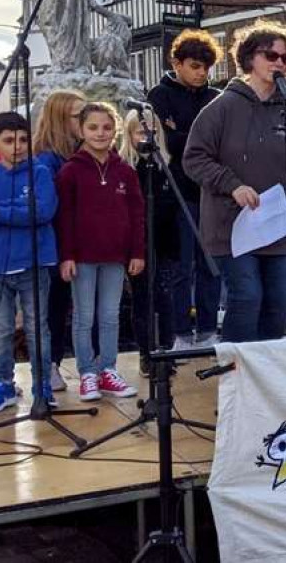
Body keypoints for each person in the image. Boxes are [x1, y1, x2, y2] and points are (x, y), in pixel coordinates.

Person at [183, 20, 286, 343]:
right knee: (247, 296)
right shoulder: (222, 108)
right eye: (271, 56)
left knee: (278, 302)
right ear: (249, 59)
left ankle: (265, 373)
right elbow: (194, 158)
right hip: (232, 227)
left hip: (274, 229)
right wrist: (233, 184)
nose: (279, 63)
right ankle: (235, 369)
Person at [56, 103, 144, 401]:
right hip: (82, 258)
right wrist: (66, 255)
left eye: (106, 127)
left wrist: (137, 252)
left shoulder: (125, 172)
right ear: (81, 130)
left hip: (115, 257)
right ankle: (87, 373)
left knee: (109, 316)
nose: (100, 133)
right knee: (84, 317)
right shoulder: (70, 171)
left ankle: (108, 368)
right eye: (92, 127)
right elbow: (64, 216)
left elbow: (137, 215)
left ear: (115, 130)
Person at [0, 112, 58, 413]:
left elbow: (44, 211)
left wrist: (0, 212)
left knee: (38, 328)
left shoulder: (40, 172)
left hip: (34, 264)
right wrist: (17, 209)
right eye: (9, 141)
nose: (17, 146)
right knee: (0, 330)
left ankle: (43, 387)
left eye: (23, 140)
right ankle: (4, 386)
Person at [147, 30, 222, 351]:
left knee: (211, 264)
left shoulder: (216, 97)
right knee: (182, 266)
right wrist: (191, 139)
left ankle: (206, 329)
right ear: (176, 63)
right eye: (194, 65)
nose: (201, 72)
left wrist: (184, 135)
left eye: (206, 66)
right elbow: (166, 142)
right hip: (178, 193)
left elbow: (220, 142)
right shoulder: (159, 95)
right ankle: (180, 332)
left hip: (213, 193)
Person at [33, 88, 87, 391]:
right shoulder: (46, 160)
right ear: (60, 119)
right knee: (53, 308)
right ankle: (50, 366)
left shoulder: (77, 155)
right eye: (78, 115)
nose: (84, 118)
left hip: (76, 242)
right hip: (53, 246)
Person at [119, 109, 179, 377]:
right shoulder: (127, 169)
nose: (147, 137)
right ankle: (146, 351)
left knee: (165, 296)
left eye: (151, 132)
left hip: (165, 242)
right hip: (138, 245)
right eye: (141, 132)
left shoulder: (166, 166)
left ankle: (167, 349)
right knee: (143, 299)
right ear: (130, 135)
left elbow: (172, 206)